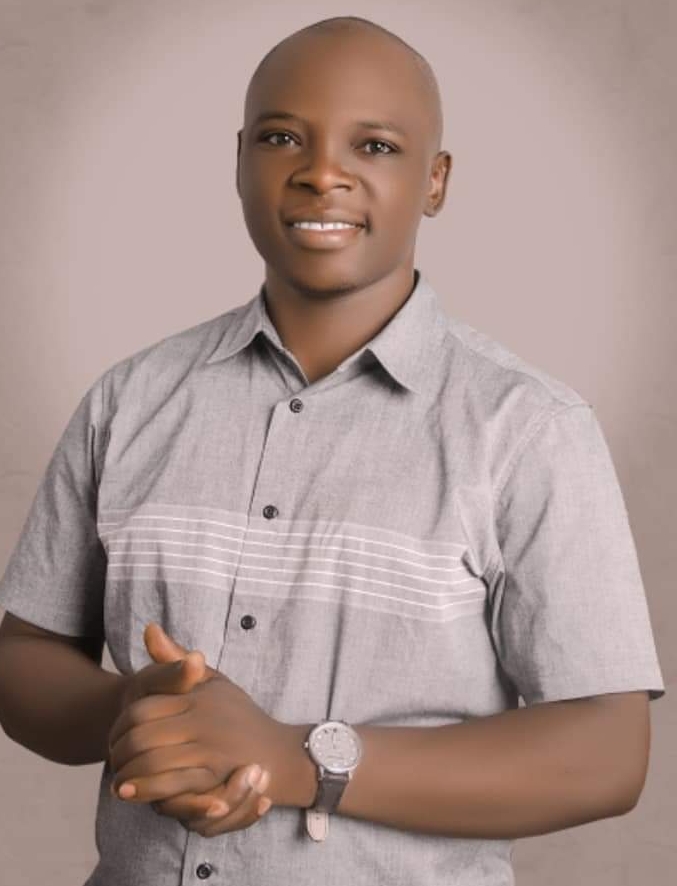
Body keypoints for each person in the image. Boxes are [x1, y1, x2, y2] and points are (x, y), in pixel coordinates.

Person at [0, 14, 666, 886]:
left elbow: (607, 752)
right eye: (282, 138)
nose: (321, 173)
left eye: (376, 146)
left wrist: (295, 759)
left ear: (435, 182)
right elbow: (25, 654)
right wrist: (139, 711)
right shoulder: (128, 400)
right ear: (239, 161)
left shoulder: (529, 428)